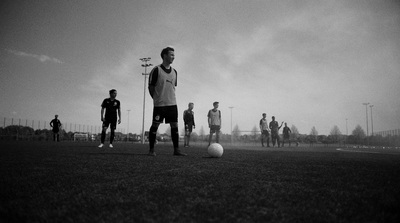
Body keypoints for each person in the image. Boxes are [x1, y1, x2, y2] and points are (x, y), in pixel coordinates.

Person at [147, 47, 186, 156]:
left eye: (174, 55)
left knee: (174, 125)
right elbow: (151, 87)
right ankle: (151, 150)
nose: (174, 57)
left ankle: (176, 150)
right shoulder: (156, 70)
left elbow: (173, 87)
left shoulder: (175, 72)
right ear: (165, 56)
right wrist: (156, 99)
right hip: (160, 105)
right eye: (171, 54)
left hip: (172, 104)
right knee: (155, 125)